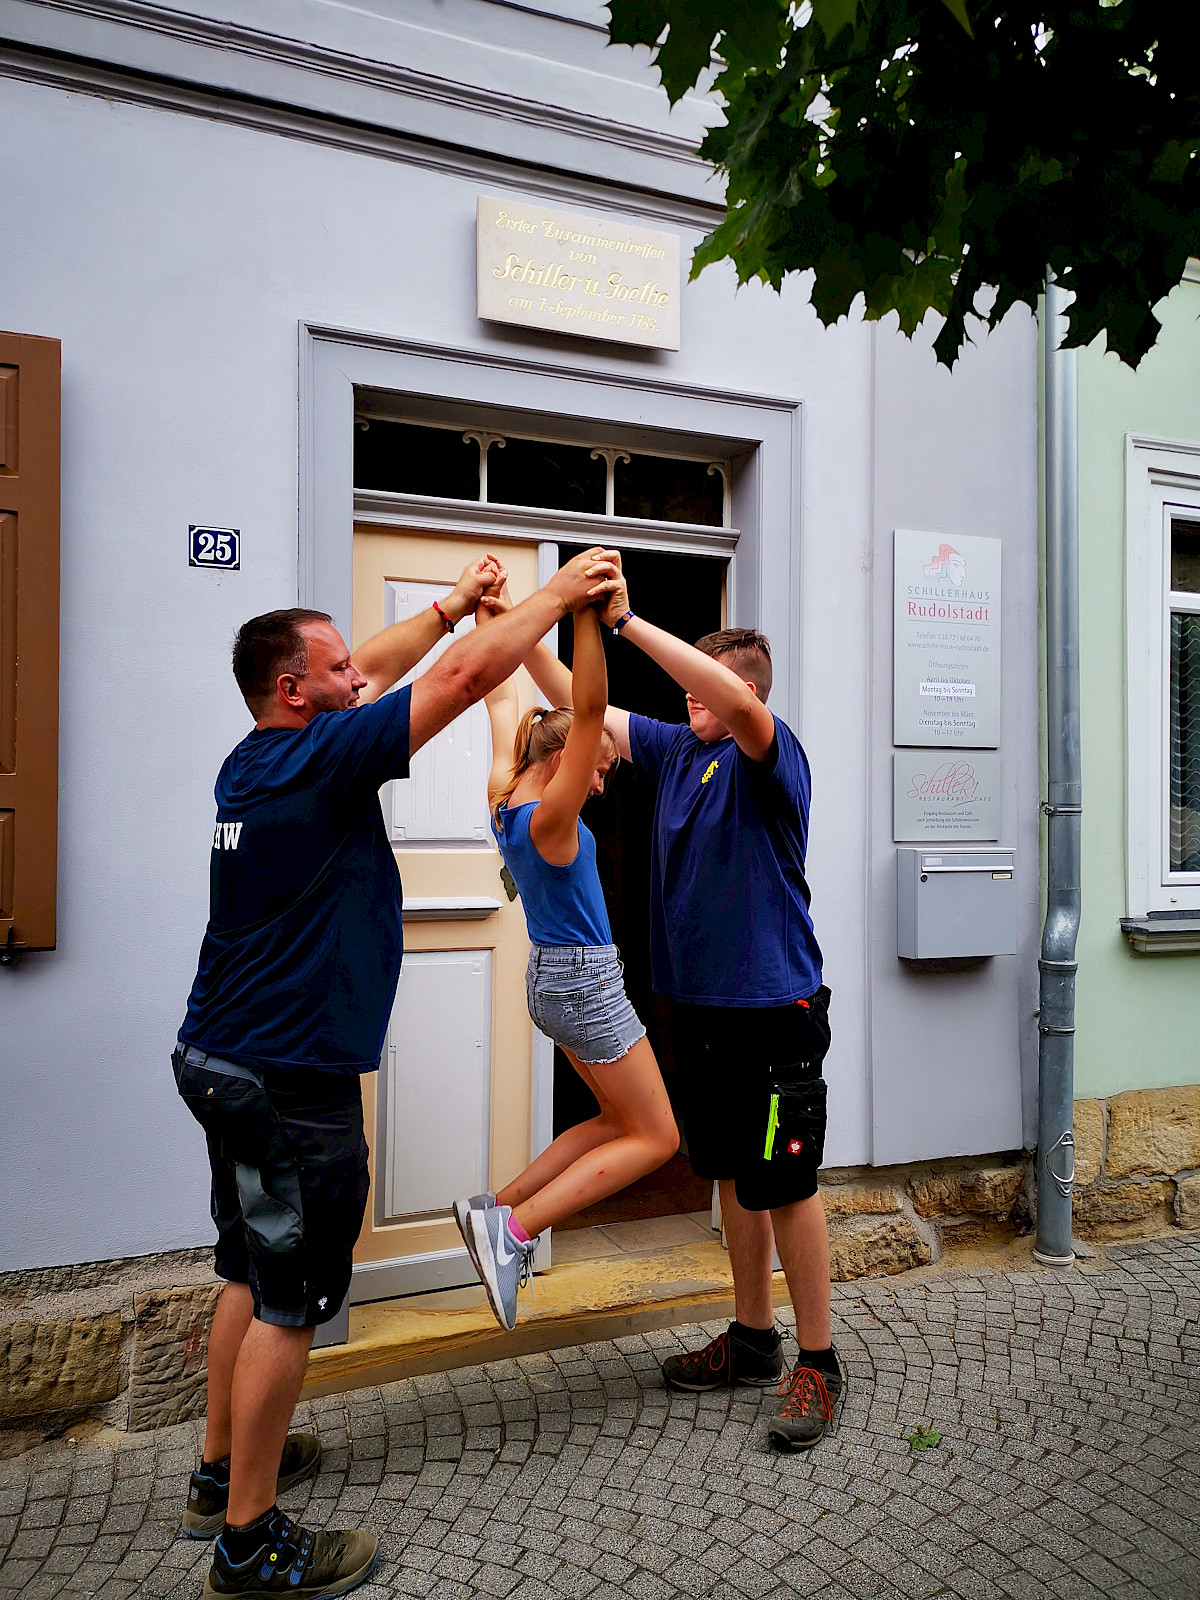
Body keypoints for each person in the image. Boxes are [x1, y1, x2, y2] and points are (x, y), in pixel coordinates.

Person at [174, 548, 619, 1599]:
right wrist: (557, 596)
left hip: (217, 1055)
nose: (355, 681)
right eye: (333, 674)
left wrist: (449, 606)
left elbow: (374, 663)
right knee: (290, 1301)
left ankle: (219, 1466)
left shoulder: (255, 757)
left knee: (246, 1269)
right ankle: (248, 1543)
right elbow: (461, 683)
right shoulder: (325, 761)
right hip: (286, 1079)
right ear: (294, 691)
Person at [522, 558, 840, 1453]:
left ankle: (819, 1359)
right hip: (695, 1007)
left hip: (775, 1006)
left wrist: (628, 624)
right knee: (732, 1174)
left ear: (740, 689)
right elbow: (576, 703)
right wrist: (550, 623)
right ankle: (753, 1339)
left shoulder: (771, 754)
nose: (692, 698)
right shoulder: (672, 751)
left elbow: (731, 704)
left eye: (710, 684)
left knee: (787, 1184)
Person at [453, 586, 678, 1333]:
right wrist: (582, 611)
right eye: (599, 769)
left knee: (619, 1119)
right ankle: (513, 1235)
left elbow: (493, 700)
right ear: (566, 762)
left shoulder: (503, 795)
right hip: (583, 982)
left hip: (554, 980)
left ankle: (498, 1207)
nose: (603, 780)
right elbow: (588, 710)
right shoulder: (553, 820)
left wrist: (502, 620)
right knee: (658, 1137)